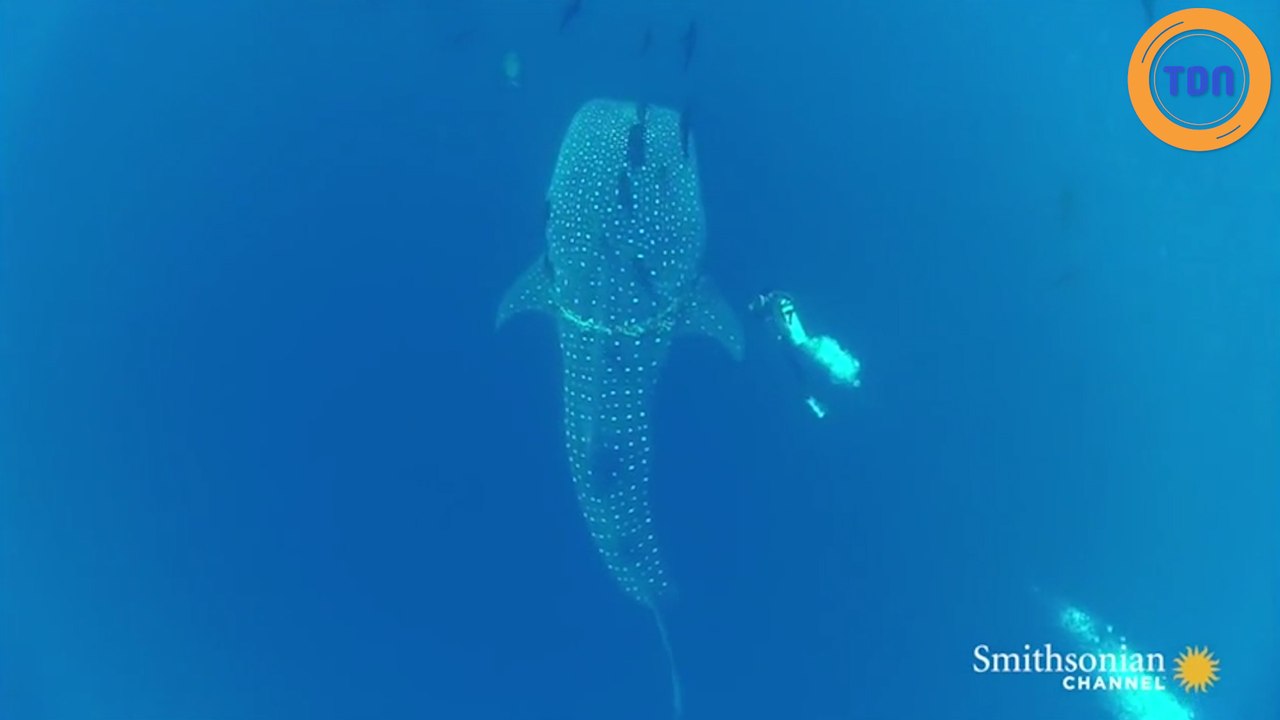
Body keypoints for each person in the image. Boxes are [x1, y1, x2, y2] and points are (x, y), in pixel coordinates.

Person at [749, 290, 861, 418]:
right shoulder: (801, 346)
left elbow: (797, 344)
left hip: (812, 351)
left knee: (797, 344)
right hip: (811, 352)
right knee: (797, 346)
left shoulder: (781, 308)